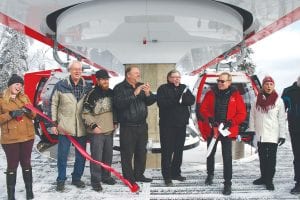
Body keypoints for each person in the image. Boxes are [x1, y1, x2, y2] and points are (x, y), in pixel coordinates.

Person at [199, 72, 247, 195]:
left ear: (229, 82)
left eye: (222, 81)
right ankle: (210, 174)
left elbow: (242, 114)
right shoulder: (210, 93)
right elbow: (203, 109)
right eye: (218, 81)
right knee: (210, 153)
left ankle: (227, 183)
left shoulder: (236, 95)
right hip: (213, 129)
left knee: (227, 157)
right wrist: (210, 119)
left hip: (226, 130)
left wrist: (231, 123)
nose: (220, 83)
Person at [50, 61, 91, 192]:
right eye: (75, 69)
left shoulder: (87, 87)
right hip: (64, 128)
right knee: (62, 156)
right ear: (70, 71)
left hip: (81, 128)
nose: (77, 72)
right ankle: (61, 179)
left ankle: (76, 178)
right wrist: (54, 123)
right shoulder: (60, 85)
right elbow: (54, 104)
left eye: (79, 69)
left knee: (81, 156)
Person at [113, 66, 156, 184]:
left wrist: (147, 93)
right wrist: (134, 94)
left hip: (142, 126)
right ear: (128, 75)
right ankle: (128, 178)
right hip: (128, 126)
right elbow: (119, 104)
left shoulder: (141, 85)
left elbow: (151, 101)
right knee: (127, 154)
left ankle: (139, 175)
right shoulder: (119, 88)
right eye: (136, 73)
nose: (138, 75)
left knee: (141, 152)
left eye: (139, 73)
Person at [0, 74, 36, 200]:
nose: (19, 87)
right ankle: (11, 195)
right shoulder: (1, 100)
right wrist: (10, 114)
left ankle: (29, 191)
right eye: (16, 84)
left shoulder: (24, 97)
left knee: (26, 163)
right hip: (10, 139)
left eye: (21, 85)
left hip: (27, 136)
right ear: (10, 85)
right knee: (12, 164)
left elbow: (34, 114)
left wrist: (29, 111)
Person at [157, 69, 195, 186]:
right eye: (174, 77)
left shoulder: (184, 87)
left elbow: (191, 100)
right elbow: (162, 103)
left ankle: (176, 173)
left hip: (181, 125)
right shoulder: (163, 88)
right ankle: (167, 176)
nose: (176, 79)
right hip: (167, 125)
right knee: (167, 152)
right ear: (169, 78)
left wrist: (179, 100)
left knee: (178, 151)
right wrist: (178, 99)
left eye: (178, 77)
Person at [248, 76, 286, 191]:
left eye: (271, 84)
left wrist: (282, 135)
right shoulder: (256, 100)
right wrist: (251, 130)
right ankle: (263, 177)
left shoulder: (278, 101)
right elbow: (252, 116)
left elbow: (281, 119)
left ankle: (269, 180)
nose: (268, 86)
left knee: (271, 159)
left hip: (273, 134)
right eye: (266, 84)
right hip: (260, 134)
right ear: (263, 86)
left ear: (273, 86)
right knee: (262, 157)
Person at [82, 70, 117, 191]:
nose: (105, 81)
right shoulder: (92, 94)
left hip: (109, 131)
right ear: (97, 80)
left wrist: (116, 122)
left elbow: (116, 110)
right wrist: (93, 126)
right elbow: (85, 112)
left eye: (107, 79)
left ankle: (106, 177)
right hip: (97, 132)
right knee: (97, 158)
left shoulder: (112, 93)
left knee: (108, 156)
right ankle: (96, 181)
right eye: (103, 79)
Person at [281, 76, 300, 194]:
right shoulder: (288, 91)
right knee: (298, 157)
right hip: (295, 130)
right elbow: (280, 111)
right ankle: (299, 183)